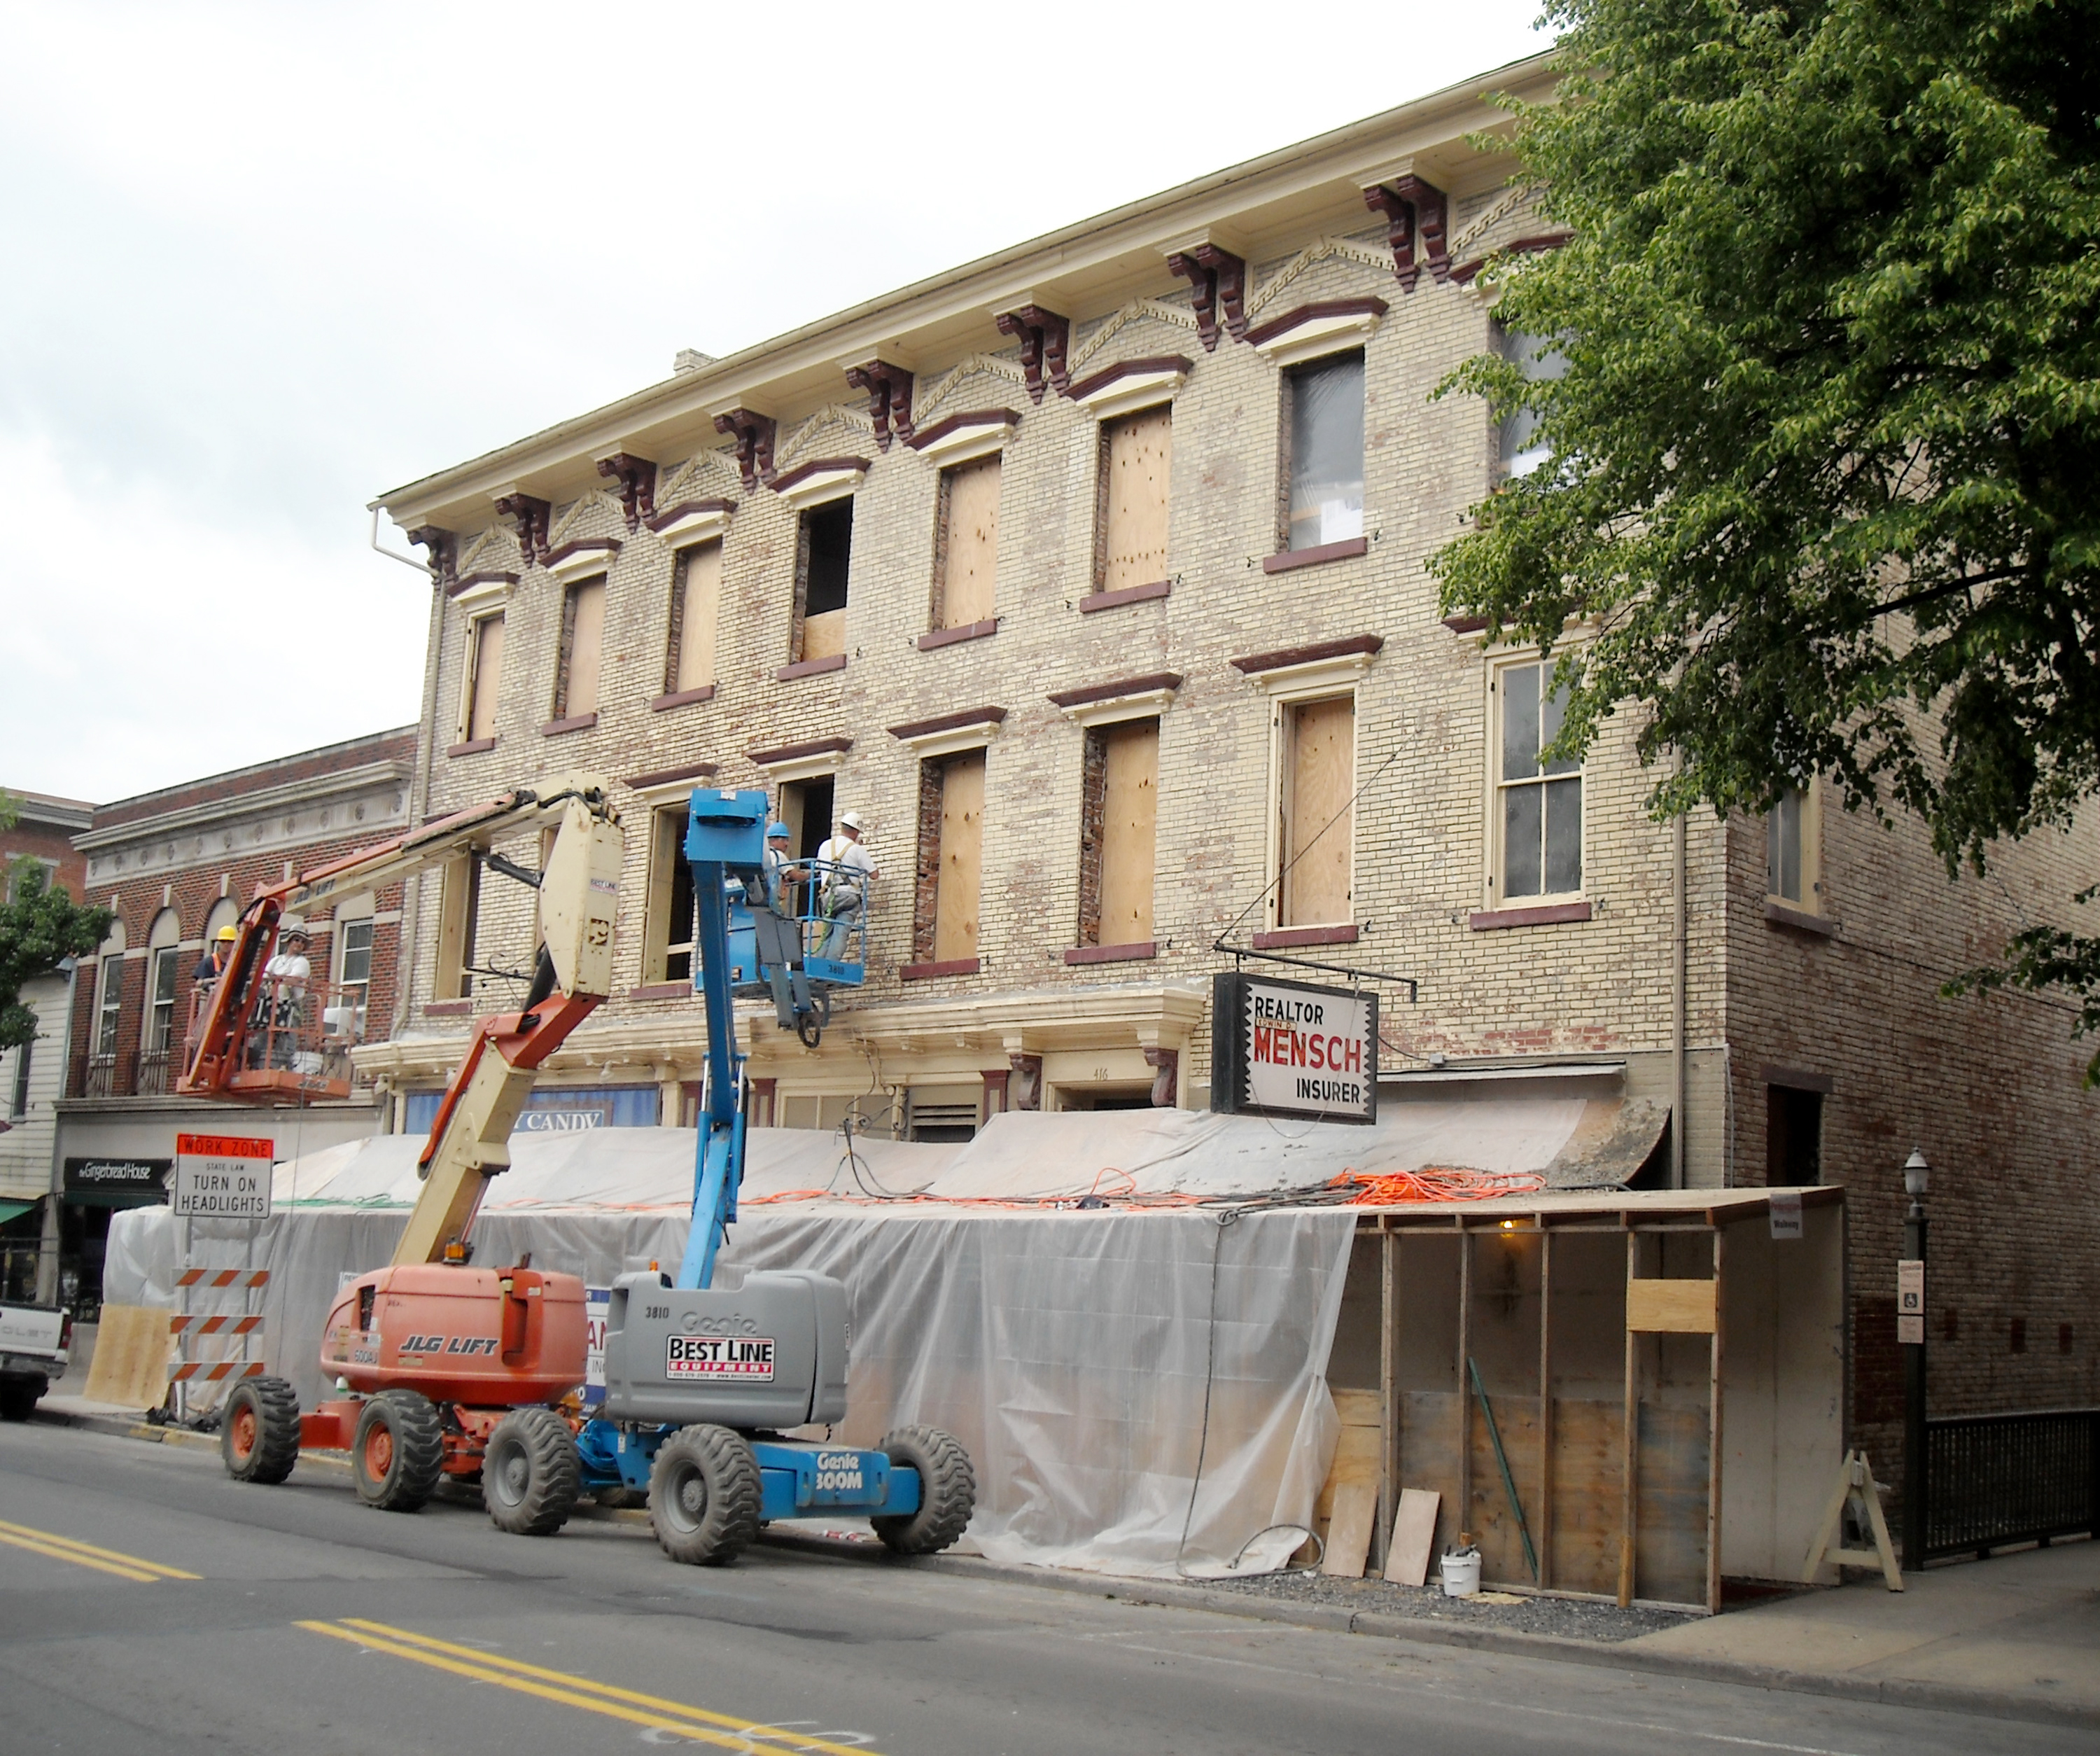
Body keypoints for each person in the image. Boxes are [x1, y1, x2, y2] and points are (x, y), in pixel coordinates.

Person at [813, 810, 876, 960]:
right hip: (848, 896)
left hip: (828, 897)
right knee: (841, 934)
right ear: (855, 831)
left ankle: (819, 965)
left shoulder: (825, 845)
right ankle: (831, 967)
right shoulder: (856, 849)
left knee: (826, 935)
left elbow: (817, 870)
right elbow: (874, 875)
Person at [192, 922, 237, 988]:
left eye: (230, 942)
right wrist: (213, 980)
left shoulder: (236, 962)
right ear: (218, 942)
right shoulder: (209, 962)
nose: (226, 944)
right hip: (211, 997)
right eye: (223, 941)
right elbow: (199, 983)